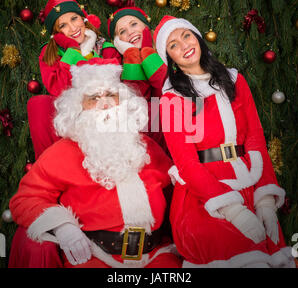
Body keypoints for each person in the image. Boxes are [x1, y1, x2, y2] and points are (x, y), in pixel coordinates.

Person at [9, 59, 182, 268]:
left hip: (157, 254)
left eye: (111, 95)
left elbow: (176, 182)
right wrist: (63, 226)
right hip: (96, 256)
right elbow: (24, 200)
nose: (105, 103)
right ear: (78, 108)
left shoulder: (145, 145)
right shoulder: (62, 152)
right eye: (94, 98)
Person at [153, 15, 296, 268]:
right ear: (170, 59)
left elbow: (255, 140)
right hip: (205, 197)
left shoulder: (234, 80)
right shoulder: (172, 100)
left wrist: (264, 202)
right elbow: (186, 164)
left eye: (186, 35)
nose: (183, 45)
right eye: (173, 44)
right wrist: (232, 210)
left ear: (197, 38)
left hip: (250, 182)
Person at [28, 0, 121, 160]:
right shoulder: (50, 53)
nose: (72, 28)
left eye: (74, 19)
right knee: (38, 104)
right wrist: (72, 50)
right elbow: (58, 88)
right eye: (62, 26)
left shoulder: (105, 48)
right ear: (55, 33)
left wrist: (85, 59)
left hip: (101, 113)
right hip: (70, 117)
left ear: (83, 18)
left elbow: (112, 80)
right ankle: (49, 167)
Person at [107, 6, 167, 148]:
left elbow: (168, 90)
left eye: (134, 24)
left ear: (145, 26)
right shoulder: (121, 69)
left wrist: (148, 52)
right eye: (122, 31)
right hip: (149, 140)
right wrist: (132, 55)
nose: (130, 32)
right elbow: (136, 104)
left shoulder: (167, 50)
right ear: (118, 41)